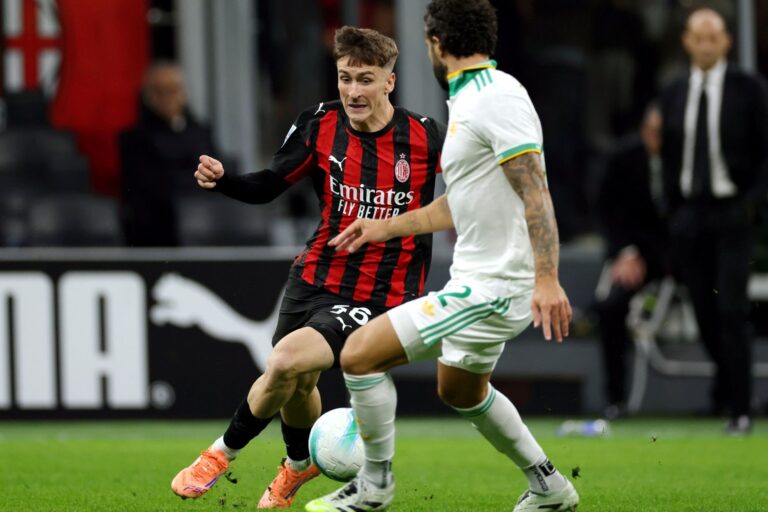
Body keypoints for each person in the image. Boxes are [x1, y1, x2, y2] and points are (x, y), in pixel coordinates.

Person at [305, 2, 579, 511]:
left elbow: (535, 190)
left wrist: (547, 278)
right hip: (482, 278)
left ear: (434, 42)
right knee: (460, 390)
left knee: (360, 355)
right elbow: (464, 200)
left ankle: (374, 487)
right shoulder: (471, 97)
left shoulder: (495, 98)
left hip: (496, 286)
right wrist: (384, 227)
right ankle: (550, 487)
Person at [170, 26, 445, 508]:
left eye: (365, 79)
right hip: (315, 274)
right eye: (344, 78)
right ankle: (298, 466)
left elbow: (470, 191)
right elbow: (271, 184)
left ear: (389, 82)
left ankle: (218, 454)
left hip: (379, 292)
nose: (353, 91)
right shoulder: (319, 122)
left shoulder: (424, 136)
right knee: (296, 383)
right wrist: (225, 181)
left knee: (284, 361)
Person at [659, 8, 768, 434]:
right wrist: (671, 208)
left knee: (731, 308)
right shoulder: (673, 92)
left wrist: (752, 205)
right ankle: (728, 389)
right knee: (703, 311)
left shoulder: (750, 89)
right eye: (698, 37)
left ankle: (740, 408)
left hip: (732, 211)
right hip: (690, 213)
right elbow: (667, 156)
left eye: (714, 37)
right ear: (686, 40)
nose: (706, 44)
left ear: (727, 42)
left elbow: (764, 154)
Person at [593, 104, 668, 420]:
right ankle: (616, 400)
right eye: (650, 131)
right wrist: (625, 252)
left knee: (721, 308)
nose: (655, 139)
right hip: (638, 256)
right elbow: (606, 209)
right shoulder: (623, 158)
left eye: (662, 133)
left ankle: (730, 400)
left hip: (685, 255)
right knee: (611, 307)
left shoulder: (688, 158)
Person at [119, 61, 216, 246]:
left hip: (201, 223)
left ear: (184, 93)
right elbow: (147, 186)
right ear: (147, 96)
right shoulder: (133, 138)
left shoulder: (201, 133)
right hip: (155, 232)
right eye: (159, 91)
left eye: (172, 90)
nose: (166, 98)